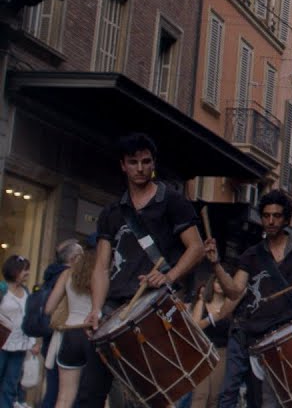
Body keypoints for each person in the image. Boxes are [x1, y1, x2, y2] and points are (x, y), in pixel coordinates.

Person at [76, 133, 205, 408]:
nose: (140, 168)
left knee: (148, 398)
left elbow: (196, 248)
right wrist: (96, 309)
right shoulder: (111, 212)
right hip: (114, 308)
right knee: (89, 393)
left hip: (153, 306)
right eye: (133, 162)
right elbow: (101, 265)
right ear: (123, 165)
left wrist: (168, 276)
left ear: (153, 163)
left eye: (146, 162)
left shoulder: (171, 201)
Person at [204, 189, 292, 408]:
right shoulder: (251, 254)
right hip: (249, 333)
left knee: (282, 398)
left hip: (284, 338)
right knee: (232, 394)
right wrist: (215, 263)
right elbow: (234, 291)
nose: (270, 221)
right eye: (266, 215)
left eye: (276, 216)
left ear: (286, 218)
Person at [42, 243, 94, 408]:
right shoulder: (101, 273)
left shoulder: (66, 274)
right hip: (92, 334)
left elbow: (49, 308)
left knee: (64, 397)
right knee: (93, 396)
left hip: (69, 335)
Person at [189, 275, 237, 408]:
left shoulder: (230, 305)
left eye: (224, 282)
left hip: (222, 352)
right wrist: (211, 319)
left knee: (214, 396)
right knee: (200, 394)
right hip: (202, 352)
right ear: (213, 283)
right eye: (217, 281)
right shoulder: (202, 302)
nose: (221, 284)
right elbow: (194, 328)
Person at [0, 255, 36, 408]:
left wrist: (33, 342)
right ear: (14, 271)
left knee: (11, 384)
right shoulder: (2, 290)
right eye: (24, 270)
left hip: (20, 344)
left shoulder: (27, 291)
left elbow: (28, 318)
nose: (27, 273)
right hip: (2, 343)